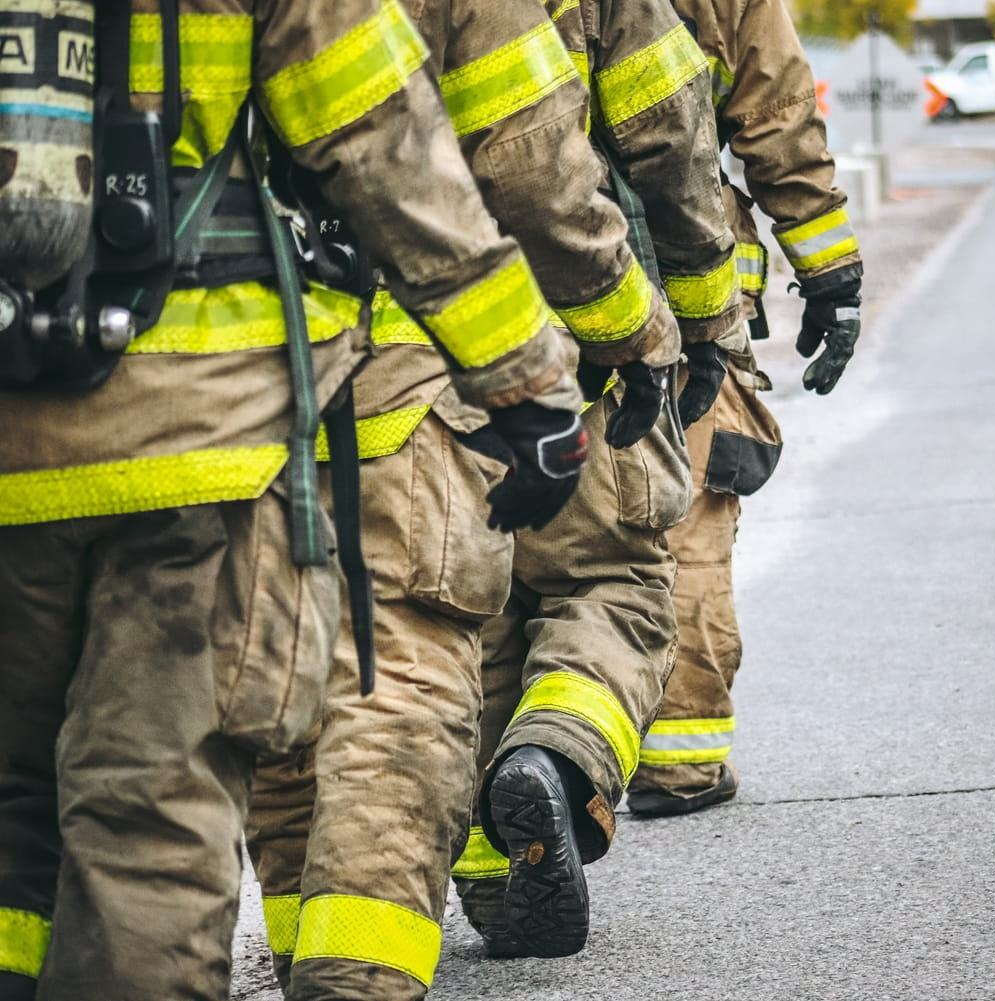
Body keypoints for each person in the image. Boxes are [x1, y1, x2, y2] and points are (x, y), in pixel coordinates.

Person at [0, 1, 581, 999]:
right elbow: (382, 140)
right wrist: (523, 378)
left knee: (13, 820)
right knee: (149, 817)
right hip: (196, 449)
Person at [243, 0, 719, 995]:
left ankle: (310, 930)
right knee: (580, 598)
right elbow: (624, 137)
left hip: (236, 362)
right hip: (491, 335)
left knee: (306, 657)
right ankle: (544, 767)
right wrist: (667, 321)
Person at [451, 0, 744, 961]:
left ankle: (496, 883)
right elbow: (669, 127)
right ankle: (554, 759)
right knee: (611, 585)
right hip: (576, 342)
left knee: (466, 620)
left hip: (404, 364)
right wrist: (695, 321)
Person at [627, 0, 865, 818]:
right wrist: (832, 279)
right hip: (684, 287)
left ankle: (544, 753)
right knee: (688, 518)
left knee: (540, 537)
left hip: (510, 288)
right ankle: (679, 758)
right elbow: (776, 118)